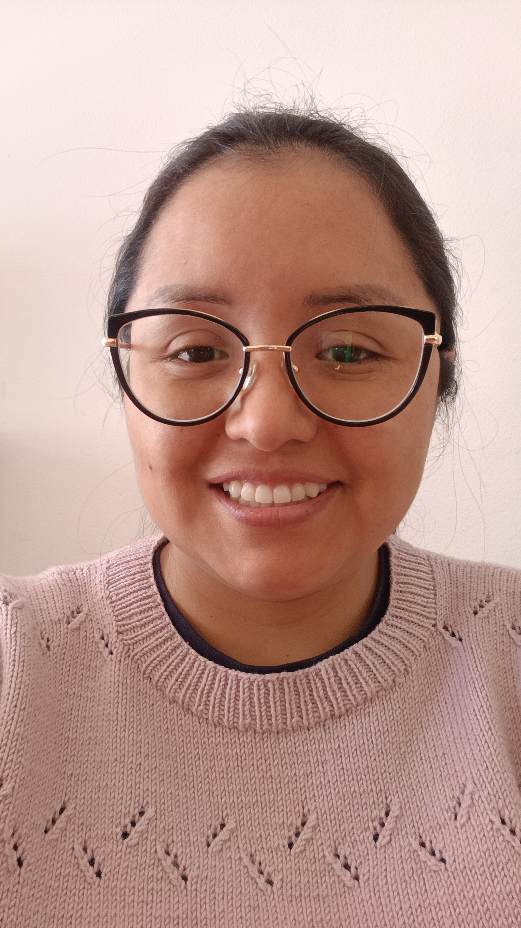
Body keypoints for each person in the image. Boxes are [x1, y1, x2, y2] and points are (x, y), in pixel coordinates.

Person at [1, 106, 520, 928]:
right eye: (197, 351)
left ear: (438, 377)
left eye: (347, 351)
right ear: (126, 375)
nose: (267, 423)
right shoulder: (15, 663)